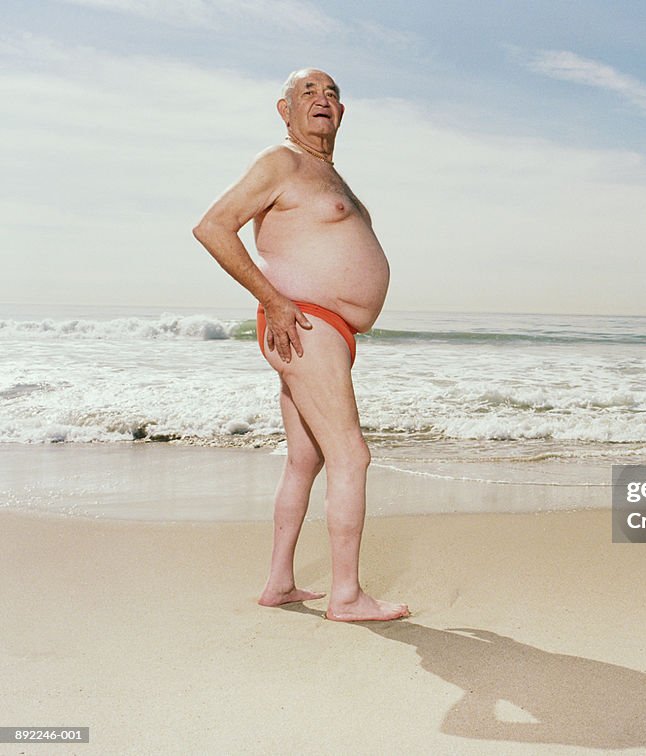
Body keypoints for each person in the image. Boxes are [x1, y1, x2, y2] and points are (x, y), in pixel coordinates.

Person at [193, 68, 409, 622]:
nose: (323, 99)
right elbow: (214, 226)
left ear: (343, 113)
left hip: (325, 330)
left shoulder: (331, 176)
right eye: (308, 91)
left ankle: (279, 583)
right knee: (351, 456)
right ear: (284, 110)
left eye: (332, 92)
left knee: (304, 459)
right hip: (304, 324)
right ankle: (346, 597)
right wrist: (276, 300)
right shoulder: (282, 161)